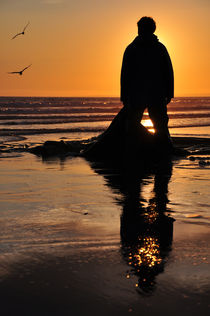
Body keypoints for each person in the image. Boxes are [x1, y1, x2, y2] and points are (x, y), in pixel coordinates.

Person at [121, 16, 174, 148]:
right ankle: (140, 148)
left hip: (153, 93)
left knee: (159, 124)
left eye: (143, 28)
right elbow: (125, 74)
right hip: (140, 93)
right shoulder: (132, 49)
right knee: (135, 124)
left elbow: (168, 71)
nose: (140, 31)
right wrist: (124, 95)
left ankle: (162, 149)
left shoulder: (158, 48)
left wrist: (169, 93)